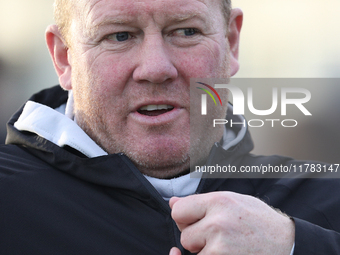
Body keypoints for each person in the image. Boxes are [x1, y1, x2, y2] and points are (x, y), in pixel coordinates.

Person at [0, 0, 339, 254]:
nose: (156, 68)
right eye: (119, 35)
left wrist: (296, 245)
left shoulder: (325, 197)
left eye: (186, 31)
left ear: (232, 42)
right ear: (64, 57)